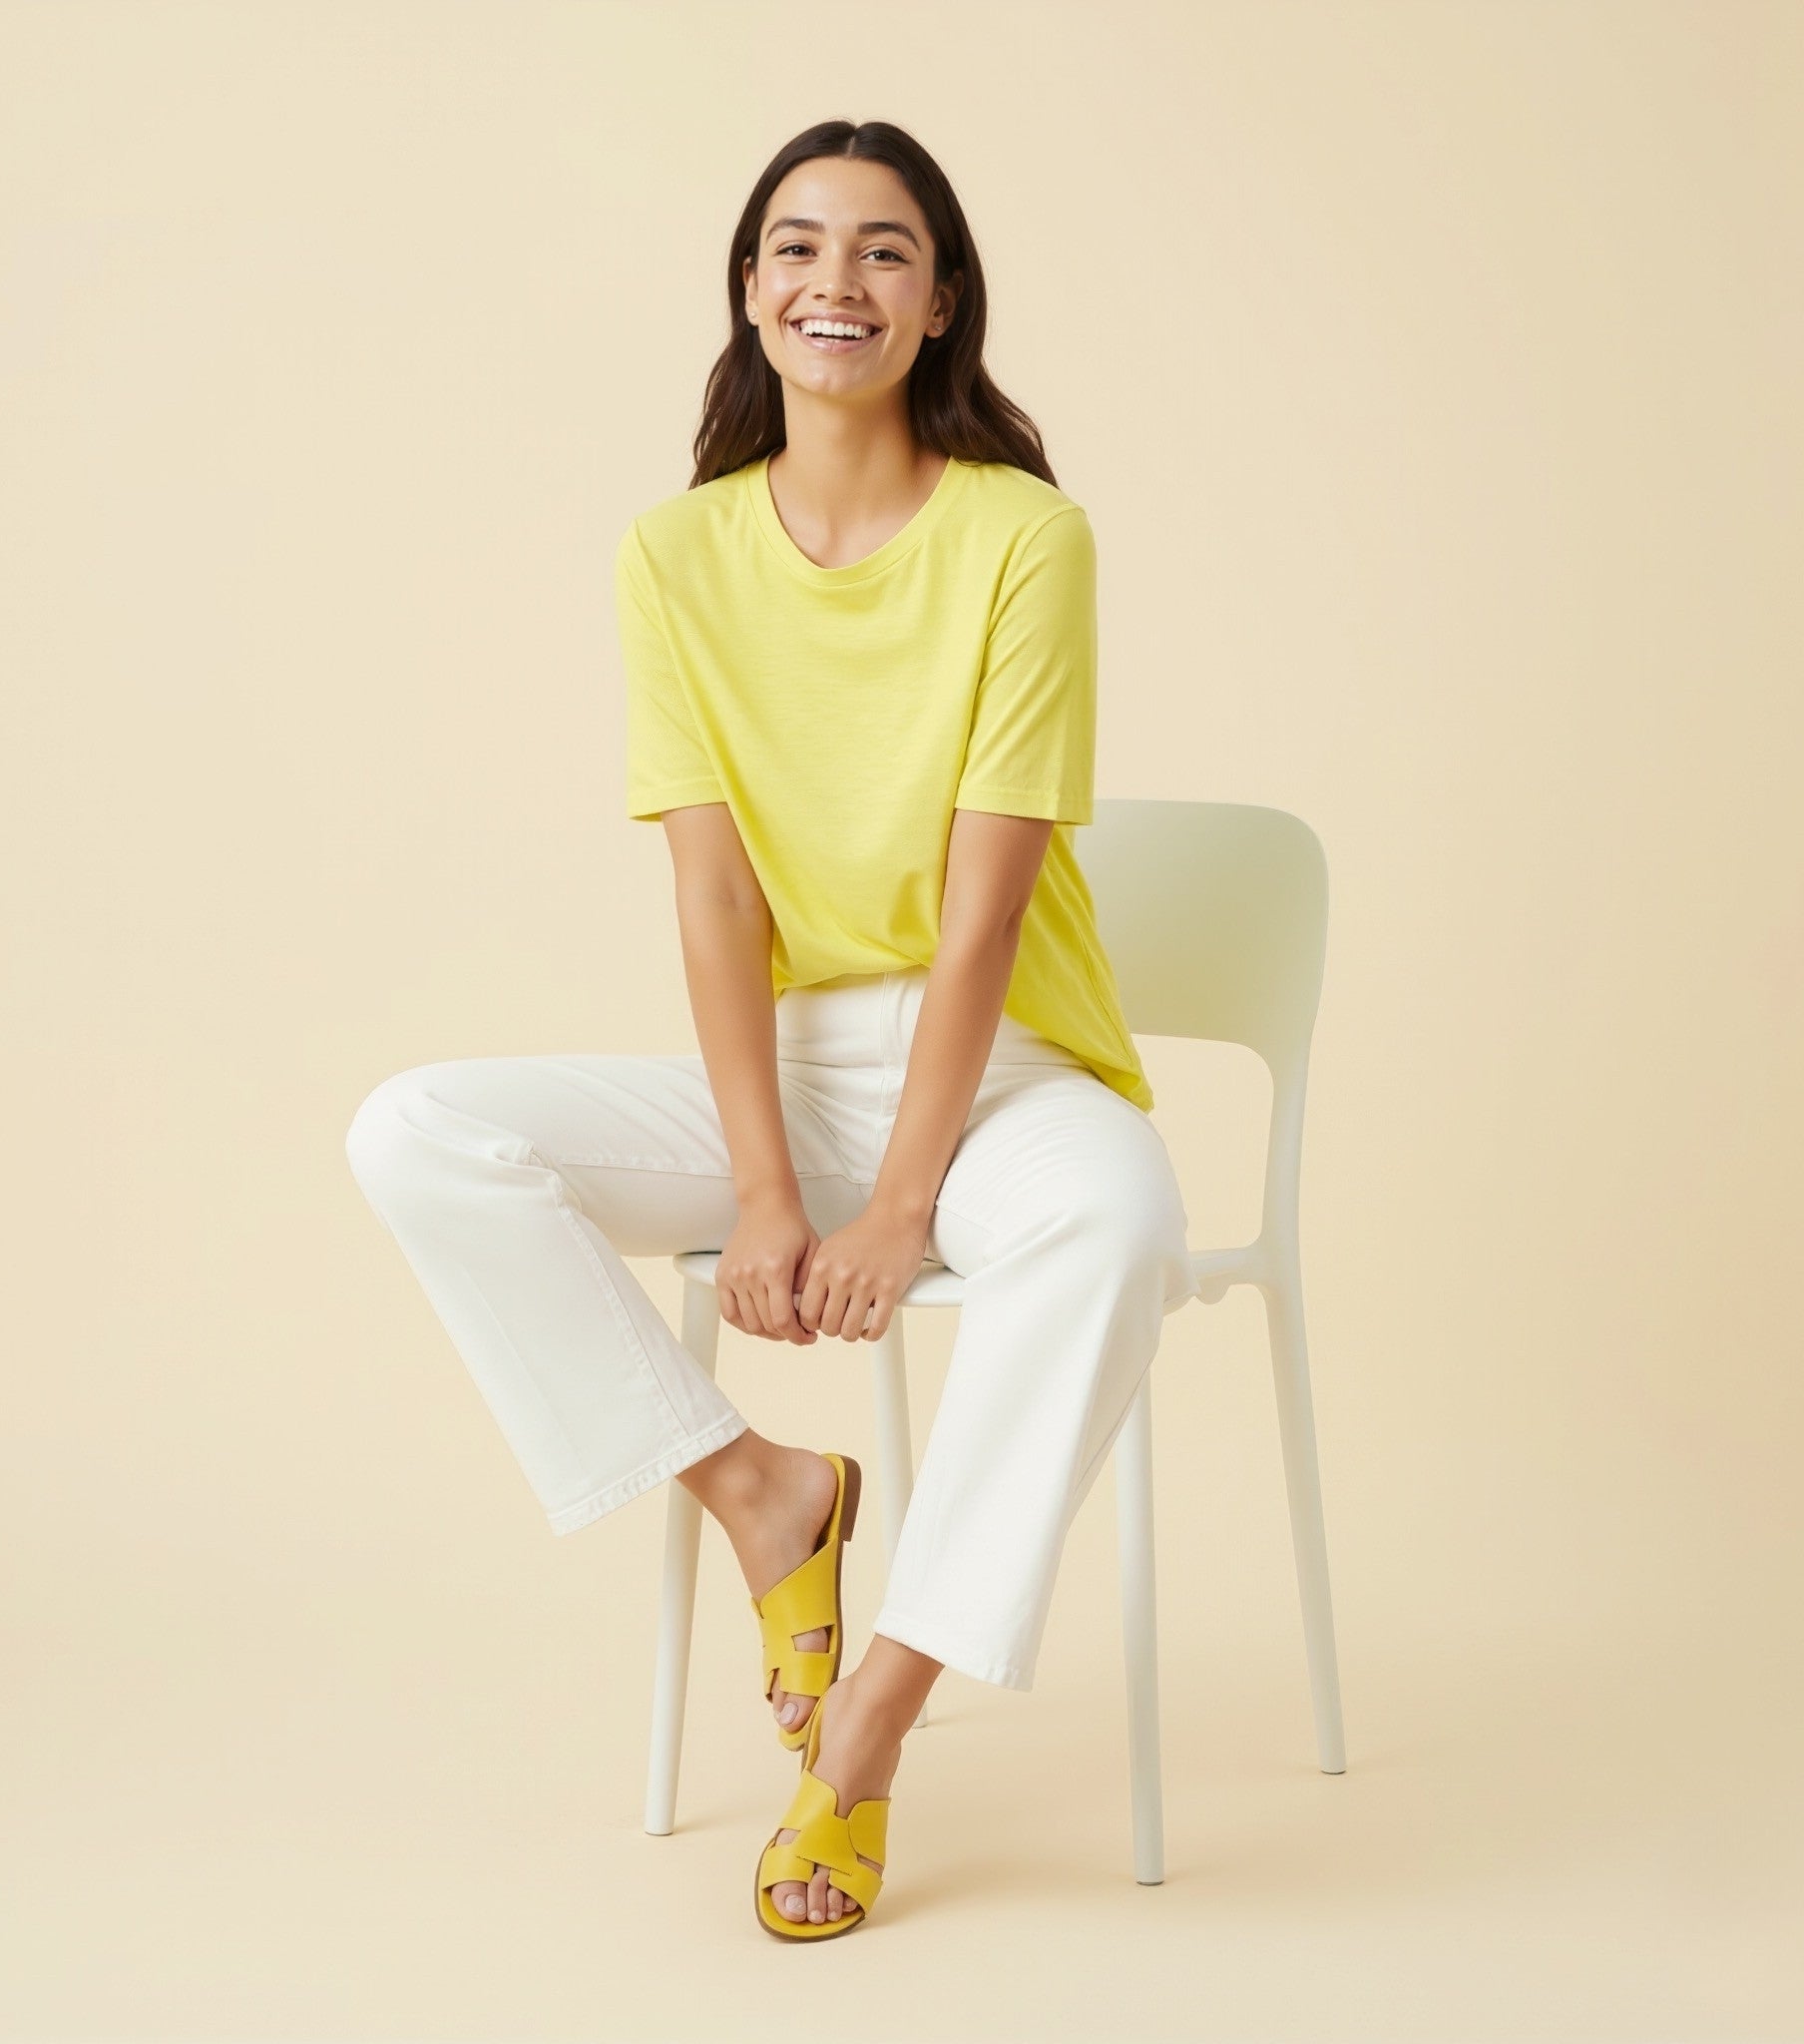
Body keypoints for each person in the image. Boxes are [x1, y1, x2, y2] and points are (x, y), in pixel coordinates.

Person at [344, 118, 1200, 1941]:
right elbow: (717, 895)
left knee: (1121, 1219)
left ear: (942, 301)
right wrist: (762, 1183)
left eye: (885, 252)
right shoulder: (675, 556)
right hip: (800, 1072)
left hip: (1010, 1076)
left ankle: (874, 1722)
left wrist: (899, 1204)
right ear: (749, 291)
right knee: (419, 1127)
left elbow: (987, 910)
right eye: (800, 248)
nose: (839, 282)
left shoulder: (1026, 539)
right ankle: (765, 1493)